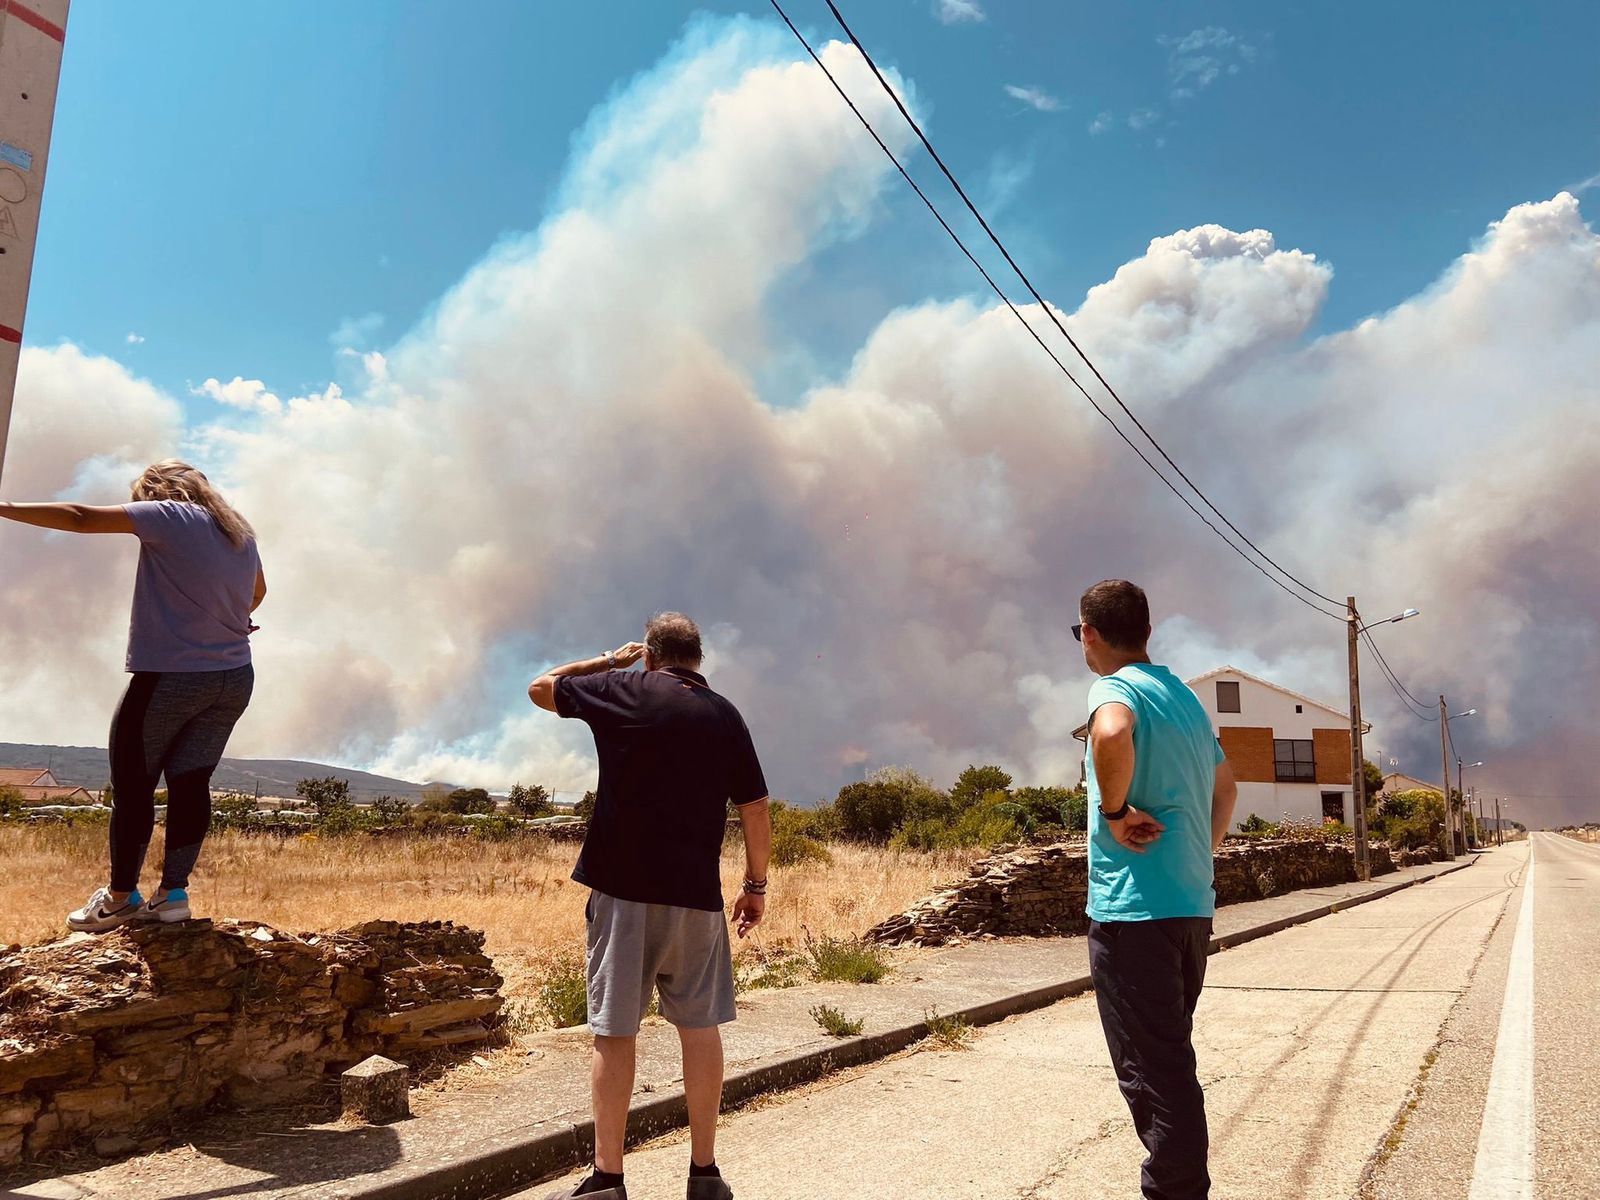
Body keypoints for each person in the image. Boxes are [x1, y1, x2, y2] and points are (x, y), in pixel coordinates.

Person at [528, 612, 771, 1200]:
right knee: (700, 1028)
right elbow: (756, 806)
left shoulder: (621, 688)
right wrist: (755, 885)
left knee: (614, 1034)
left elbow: (541, 688)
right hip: (696, 899)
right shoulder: (724, 714)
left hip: (622, 894)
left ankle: (609, 1179)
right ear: (698, 657)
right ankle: (704, 1175)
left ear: (652, 655)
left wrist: (609, 662)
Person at [0, 460, 264, 932]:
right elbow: (257, 594)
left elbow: (80, 517)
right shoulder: (237, 530)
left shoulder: (168, 514)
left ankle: (120, 898)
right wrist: (224, 615)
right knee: (190, 783)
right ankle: (173, 896)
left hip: (171, 676)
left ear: (156, 491)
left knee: (134, 784)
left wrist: (5, 508)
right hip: (233, 677)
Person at [1076, 579, 1237, 1200]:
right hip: (1190, 909)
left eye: (1079, 634)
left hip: (1133, 915)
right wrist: (1199, 854)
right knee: (1168, 1062)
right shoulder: (1186, 701)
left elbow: (1111, 734)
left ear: (1090, 633)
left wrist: (1114, 814)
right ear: (1146, 630)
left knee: (1157, 1076)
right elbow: (1227, 791)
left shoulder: (1114, 689)